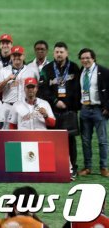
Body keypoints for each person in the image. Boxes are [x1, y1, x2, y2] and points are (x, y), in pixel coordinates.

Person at [38, 42, 81, 178]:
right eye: (57, 52)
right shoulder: (47, 69)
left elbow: (77, 89)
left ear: (67, 53)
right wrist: (56, 102)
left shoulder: (74, 68)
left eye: (62, 52)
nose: (59, 54)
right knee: (53, 139)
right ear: (53, 53)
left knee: (70, 140)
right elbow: (43, 89)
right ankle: (54, 166)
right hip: (53, 110)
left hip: (69, 110)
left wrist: (67, 104)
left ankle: (72, 167)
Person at [77, 48, 109, 177]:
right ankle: (87, 167)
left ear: (93, 58)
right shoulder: (81, 72)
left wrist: (107, 107)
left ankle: (104, 167)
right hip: (84, 110)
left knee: (102, 140)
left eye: (87, 58)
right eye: (83, 58)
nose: (85, 60)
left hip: (98, 110)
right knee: (85, 141)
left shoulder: (103, 71)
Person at [0, 46, 40, 129]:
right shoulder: (4, 71)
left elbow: (37, 89)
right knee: (6, 135)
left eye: (19, 55)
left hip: (25, 107)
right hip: (8, 107)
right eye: (14, 55)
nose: (16, 57)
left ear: (23, 56)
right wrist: (6, 80)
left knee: (25, 134)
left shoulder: (31, 71)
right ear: (11, 56)